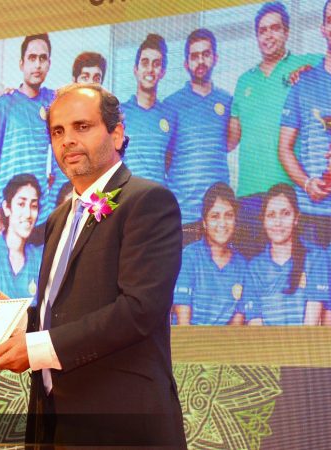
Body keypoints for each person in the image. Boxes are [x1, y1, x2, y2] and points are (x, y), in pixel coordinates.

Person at [0, 84, 186, 447]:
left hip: (122, 426)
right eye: (58, 132)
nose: (68, 140)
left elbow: (139, 310)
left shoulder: (148, 201)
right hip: (54, 420)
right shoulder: (58, 218)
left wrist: (38, 349)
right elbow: (62, 312)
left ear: (117, 133)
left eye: (82, 126)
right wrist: (15, 318)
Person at [229, 2, 322, 258]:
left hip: (288, 195)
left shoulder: (306, 64)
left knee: (292, 272)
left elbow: (329, 67)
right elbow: (231, 139)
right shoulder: (244, 81)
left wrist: (310, 71)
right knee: (251, 270)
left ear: (286, 32)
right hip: (248, 196)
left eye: (274, 28)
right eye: (262, 30)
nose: (268, 35)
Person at [0, 34, 57, 236]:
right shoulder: (5, 104)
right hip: (8, 217)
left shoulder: (53, 101)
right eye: (32, 58)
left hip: (40, 219)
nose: (37, 65)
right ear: (22, 64)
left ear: (49, 64)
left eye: (43, 58)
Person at [165, 28, 232, 243]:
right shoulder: (171, 105)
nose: (200, 61)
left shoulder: (228, 101)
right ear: (186, 63)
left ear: (215, 58)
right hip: (184, 214)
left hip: (219, 216)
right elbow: (166, 158)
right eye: (194, 56)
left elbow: (229, 144)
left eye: (206, 54)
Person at [278, 0, 331, 248]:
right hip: (313, 213)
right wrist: (306, 183)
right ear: (322, 28)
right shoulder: (303, 83)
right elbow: (284, 148)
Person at [243, 184, 331, 325]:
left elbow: (311, 325)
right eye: (271, 215)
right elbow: (255, 324)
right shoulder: (254, 267)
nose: (278, 222)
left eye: (285, 213)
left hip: (304, 338)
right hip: (267, 339)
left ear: (296, 217)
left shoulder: (316, 257)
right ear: (263, 220)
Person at [174, 182, 247, 326]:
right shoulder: (189, 257)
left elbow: (235, 328)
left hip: (223, 340)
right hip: (189, 338)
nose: (222, 223)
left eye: (228, 215)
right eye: (215, 216)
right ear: (204, 222)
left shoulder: (242, 266)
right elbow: (183, 324)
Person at [0, 174, 43, 300]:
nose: (28, 214)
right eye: (21, 204)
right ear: (6, 207)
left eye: (33, 206)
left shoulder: (39, 256)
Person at [121, 33, 176, 186]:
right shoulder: (119, 114)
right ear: (135, 69)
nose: (150, 69)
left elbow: (170, 162)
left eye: (156, 64)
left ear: (163, 72)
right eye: (145, 63)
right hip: (128, 198)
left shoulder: (170, 116)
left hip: (158, 198)